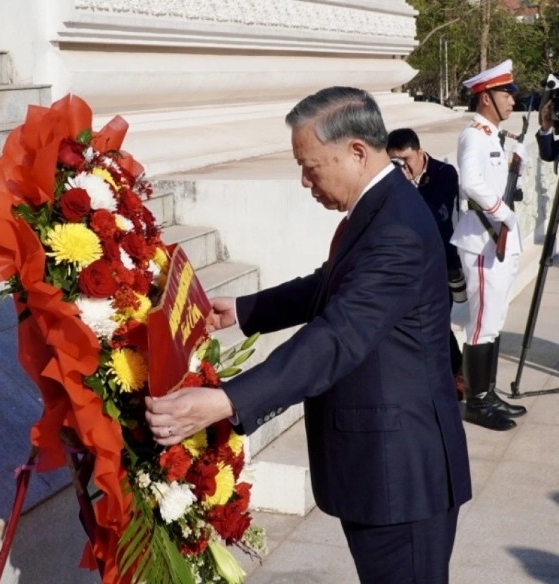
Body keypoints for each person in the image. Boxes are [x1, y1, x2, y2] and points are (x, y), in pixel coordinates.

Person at [145, 86, 471, 584]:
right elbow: (332, 282)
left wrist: (226, 400)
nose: (303, 180)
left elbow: (338, 335)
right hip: (385, 466)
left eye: (311, 166)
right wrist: (248, 309)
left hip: (400, 476)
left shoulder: (396, 228)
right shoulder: (382, 205)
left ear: (357, 152)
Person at [451, 59, 528, 431]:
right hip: (482, 242)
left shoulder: (494, 136)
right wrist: (503, 214)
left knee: (494, 322)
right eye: (505, 93)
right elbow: (469, 182)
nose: (512, 100)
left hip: (498, 241)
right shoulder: (474, 135)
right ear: (485, 98)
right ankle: (477, 403)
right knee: (481, 325)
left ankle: (489, 391)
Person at [387, 128, 465, 397]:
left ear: (420, 152)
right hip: (406, 266)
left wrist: (406, 187)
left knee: (439, 323)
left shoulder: (444, 174)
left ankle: (456, 373)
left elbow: (435, 218)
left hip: (441, 262)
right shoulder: (391, 181)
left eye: (406, 159)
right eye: (394, 161)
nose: (402, 167)